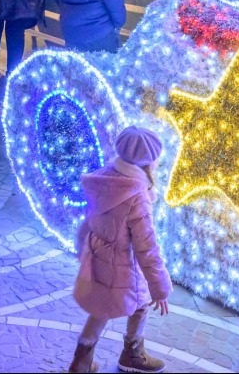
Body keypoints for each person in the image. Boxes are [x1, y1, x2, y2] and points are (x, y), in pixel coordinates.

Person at [68, 126, 171, 374]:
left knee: (101, 309)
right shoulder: (137, 197)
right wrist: (160, 287)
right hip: (125, 266)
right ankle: (133, 354)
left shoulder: (105, 177)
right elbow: (147, 247)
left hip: (99, 258)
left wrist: (82, 248)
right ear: (148, 160)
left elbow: (88, 219)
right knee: (142, 303)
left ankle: (81, 362)